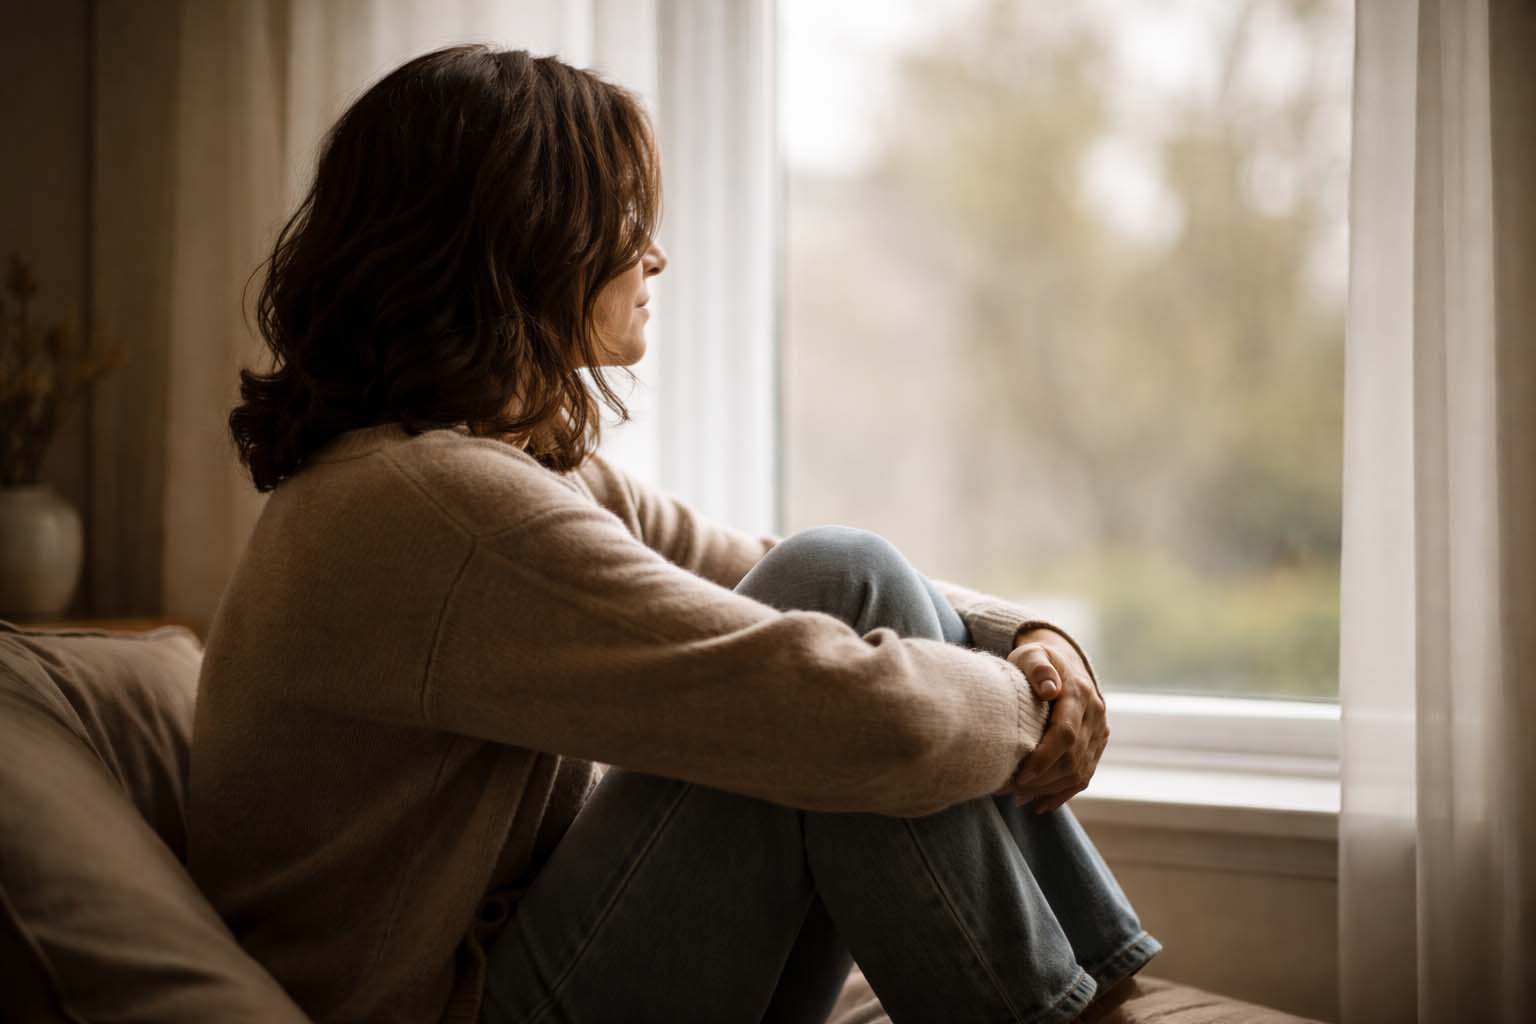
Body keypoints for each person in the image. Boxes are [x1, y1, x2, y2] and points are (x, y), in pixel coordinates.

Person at [190, 43, 1160, 1024]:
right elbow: (862, 716)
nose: (654, 254)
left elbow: (771, 569)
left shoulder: (492, 472)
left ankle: (1097, 994)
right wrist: (1027, 707)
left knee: (843, 571)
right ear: (521, 239)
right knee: (826, 665)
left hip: (518, 975)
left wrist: (1025, 636)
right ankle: (1085, 1004)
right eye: (622, 218)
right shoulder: (431, 510)